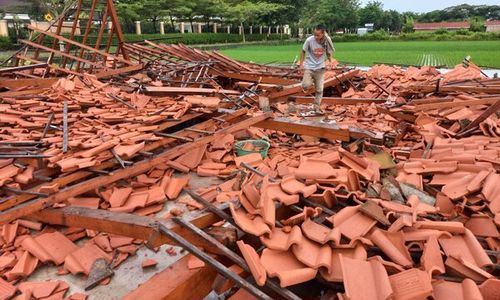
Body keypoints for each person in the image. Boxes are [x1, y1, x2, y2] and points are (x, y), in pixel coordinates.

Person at [297, 24, 335, 113]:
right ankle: (308, 84)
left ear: (323, 34)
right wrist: (301, 65)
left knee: (319, 90)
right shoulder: (309, 40)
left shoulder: (327, 41)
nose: (316, 37)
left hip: (320, 68)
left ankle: (316, 108)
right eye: (314, 34)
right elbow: (303, 52)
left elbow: (329, 53)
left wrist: (330, 61)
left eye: (318, 35)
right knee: (305, 85)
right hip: (309, 67)